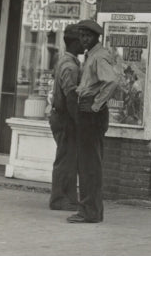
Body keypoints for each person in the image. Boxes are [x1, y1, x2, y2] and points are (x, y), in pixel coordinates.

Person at [68, 19, 119, 224]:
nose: (83, 39)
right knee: (87, 163)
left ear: (96, 37)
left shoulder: (99, 56)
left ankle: (89, 212)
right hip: (86, 110)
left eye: (87, 35)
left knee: (90, 164)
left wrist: (96, 105)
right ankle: (90, 210)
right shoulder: (91, 56)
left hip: (91, 113)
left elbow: (112, 81)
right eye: (81, 35)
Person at [47, 24, 82, 210]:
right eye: (82, 39)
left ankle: (68, 197)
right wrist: (78, 120)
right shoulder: (70, 67)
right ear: (75, 43)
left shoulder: (63, 61)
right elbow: (70, 97)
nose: (85, 42)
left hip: (60, 116)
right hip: (65, 118)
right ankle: (59, 199)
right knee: (65, 159)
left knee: (69, 157)